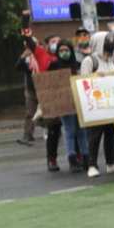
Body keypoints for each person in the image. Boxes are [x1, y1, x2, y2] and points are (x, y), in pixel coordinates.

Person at [79, 30, 114, 176]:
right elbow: (83, 82)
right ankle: (92, 165)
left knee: (110, 133)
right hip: (95, 105)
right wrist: (96, 78)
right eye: (107, 41)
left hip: (110, 103)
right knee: (94, 135)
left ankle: (110, 163)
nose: (110, 44)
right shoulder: (90, 61)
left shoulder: (113, 61)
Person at [46, 40, 84, 174]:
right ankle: (72, 158)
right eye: (61, 50)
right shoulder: (54, 65)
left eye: (66, 50)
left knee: (81, 131)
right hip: (64, 103)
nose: (64, 53)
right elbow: (48, 84)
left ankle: (84, 156)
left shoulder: (78, 65)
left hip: (79, 102)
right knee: (69, 131)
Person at [16, 26, 50, 145]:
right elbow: (18, 67)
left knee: (45, 112)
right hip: (31, 90)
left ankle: (51, 130)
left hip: (43, 88)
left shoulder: (43, 55)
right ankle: (27, 135)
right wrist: (23, 56)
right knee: (30, 112)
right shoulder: (27, 60)